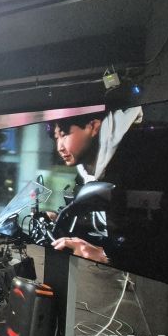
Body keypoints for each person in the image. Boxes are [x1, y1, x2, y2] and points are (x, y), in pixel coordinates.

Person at [46, 107, 142, 264]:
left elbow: (145, 237)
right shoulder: (85, 172)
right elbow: (88, 214)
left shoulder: (130, 162)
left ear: (94, 127)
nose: (59, 147)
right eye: (56, 138)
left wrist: (104, 256)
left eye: (64, 135)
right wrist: (59, 217)